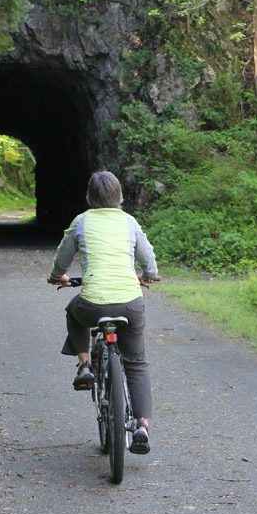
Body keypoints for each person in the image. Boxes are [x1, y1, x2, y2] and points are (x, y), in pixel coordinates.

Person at [48, 171, 159, 454]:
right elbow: (147, 257)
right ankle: (142, 425)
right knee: (136, 363)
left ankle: (85, 365)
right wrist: (149, 275)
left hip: (92, 305)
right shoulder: (130, 222)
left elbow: (63, 255)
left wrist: (58, 276)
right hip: (130, 304)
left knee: (74, 310)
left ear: (89, 198)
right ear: (120, 197)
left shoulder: (82, 221)